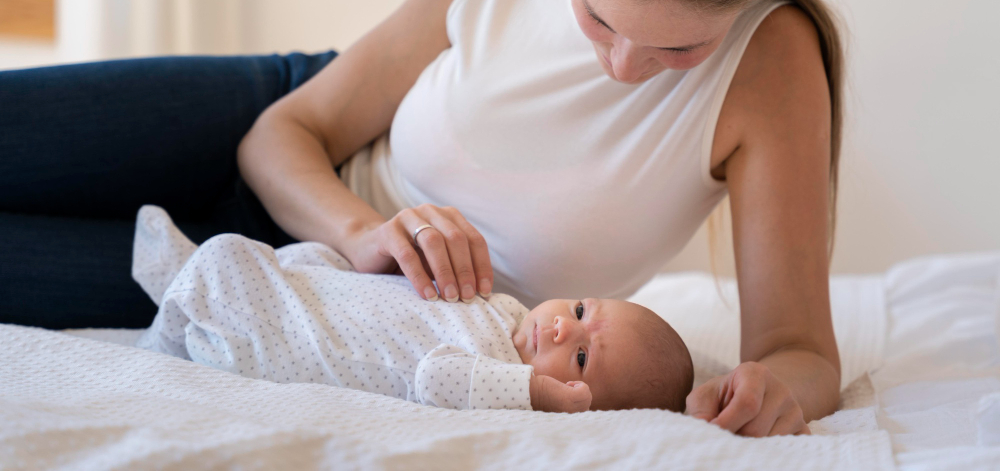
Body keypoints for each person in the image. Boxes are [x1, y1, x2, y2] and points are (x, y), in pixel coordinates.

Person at [0, 0, 841, 437]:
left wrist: (778, 389)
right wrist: (367, 230)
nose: (622, 65)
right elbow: (281, 133)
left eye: (677, 49)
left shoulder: (773, 67)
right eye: (598, 17)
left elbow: (799, 347)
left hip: (310, 301)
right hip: (283, 151)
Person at [132, 205, 694, 413]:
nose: (559, 326)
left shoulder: (502, 385)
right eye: (577, 310)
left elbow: (436, 376)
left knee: (230, 260)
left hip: (303, 340)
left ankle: (168, 330)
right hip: (346, 296)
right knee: (311, 261)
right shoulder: (507, 313)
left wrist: (534, 392)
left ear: (578, 402)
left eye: (578, 358)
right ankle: (186, 285)